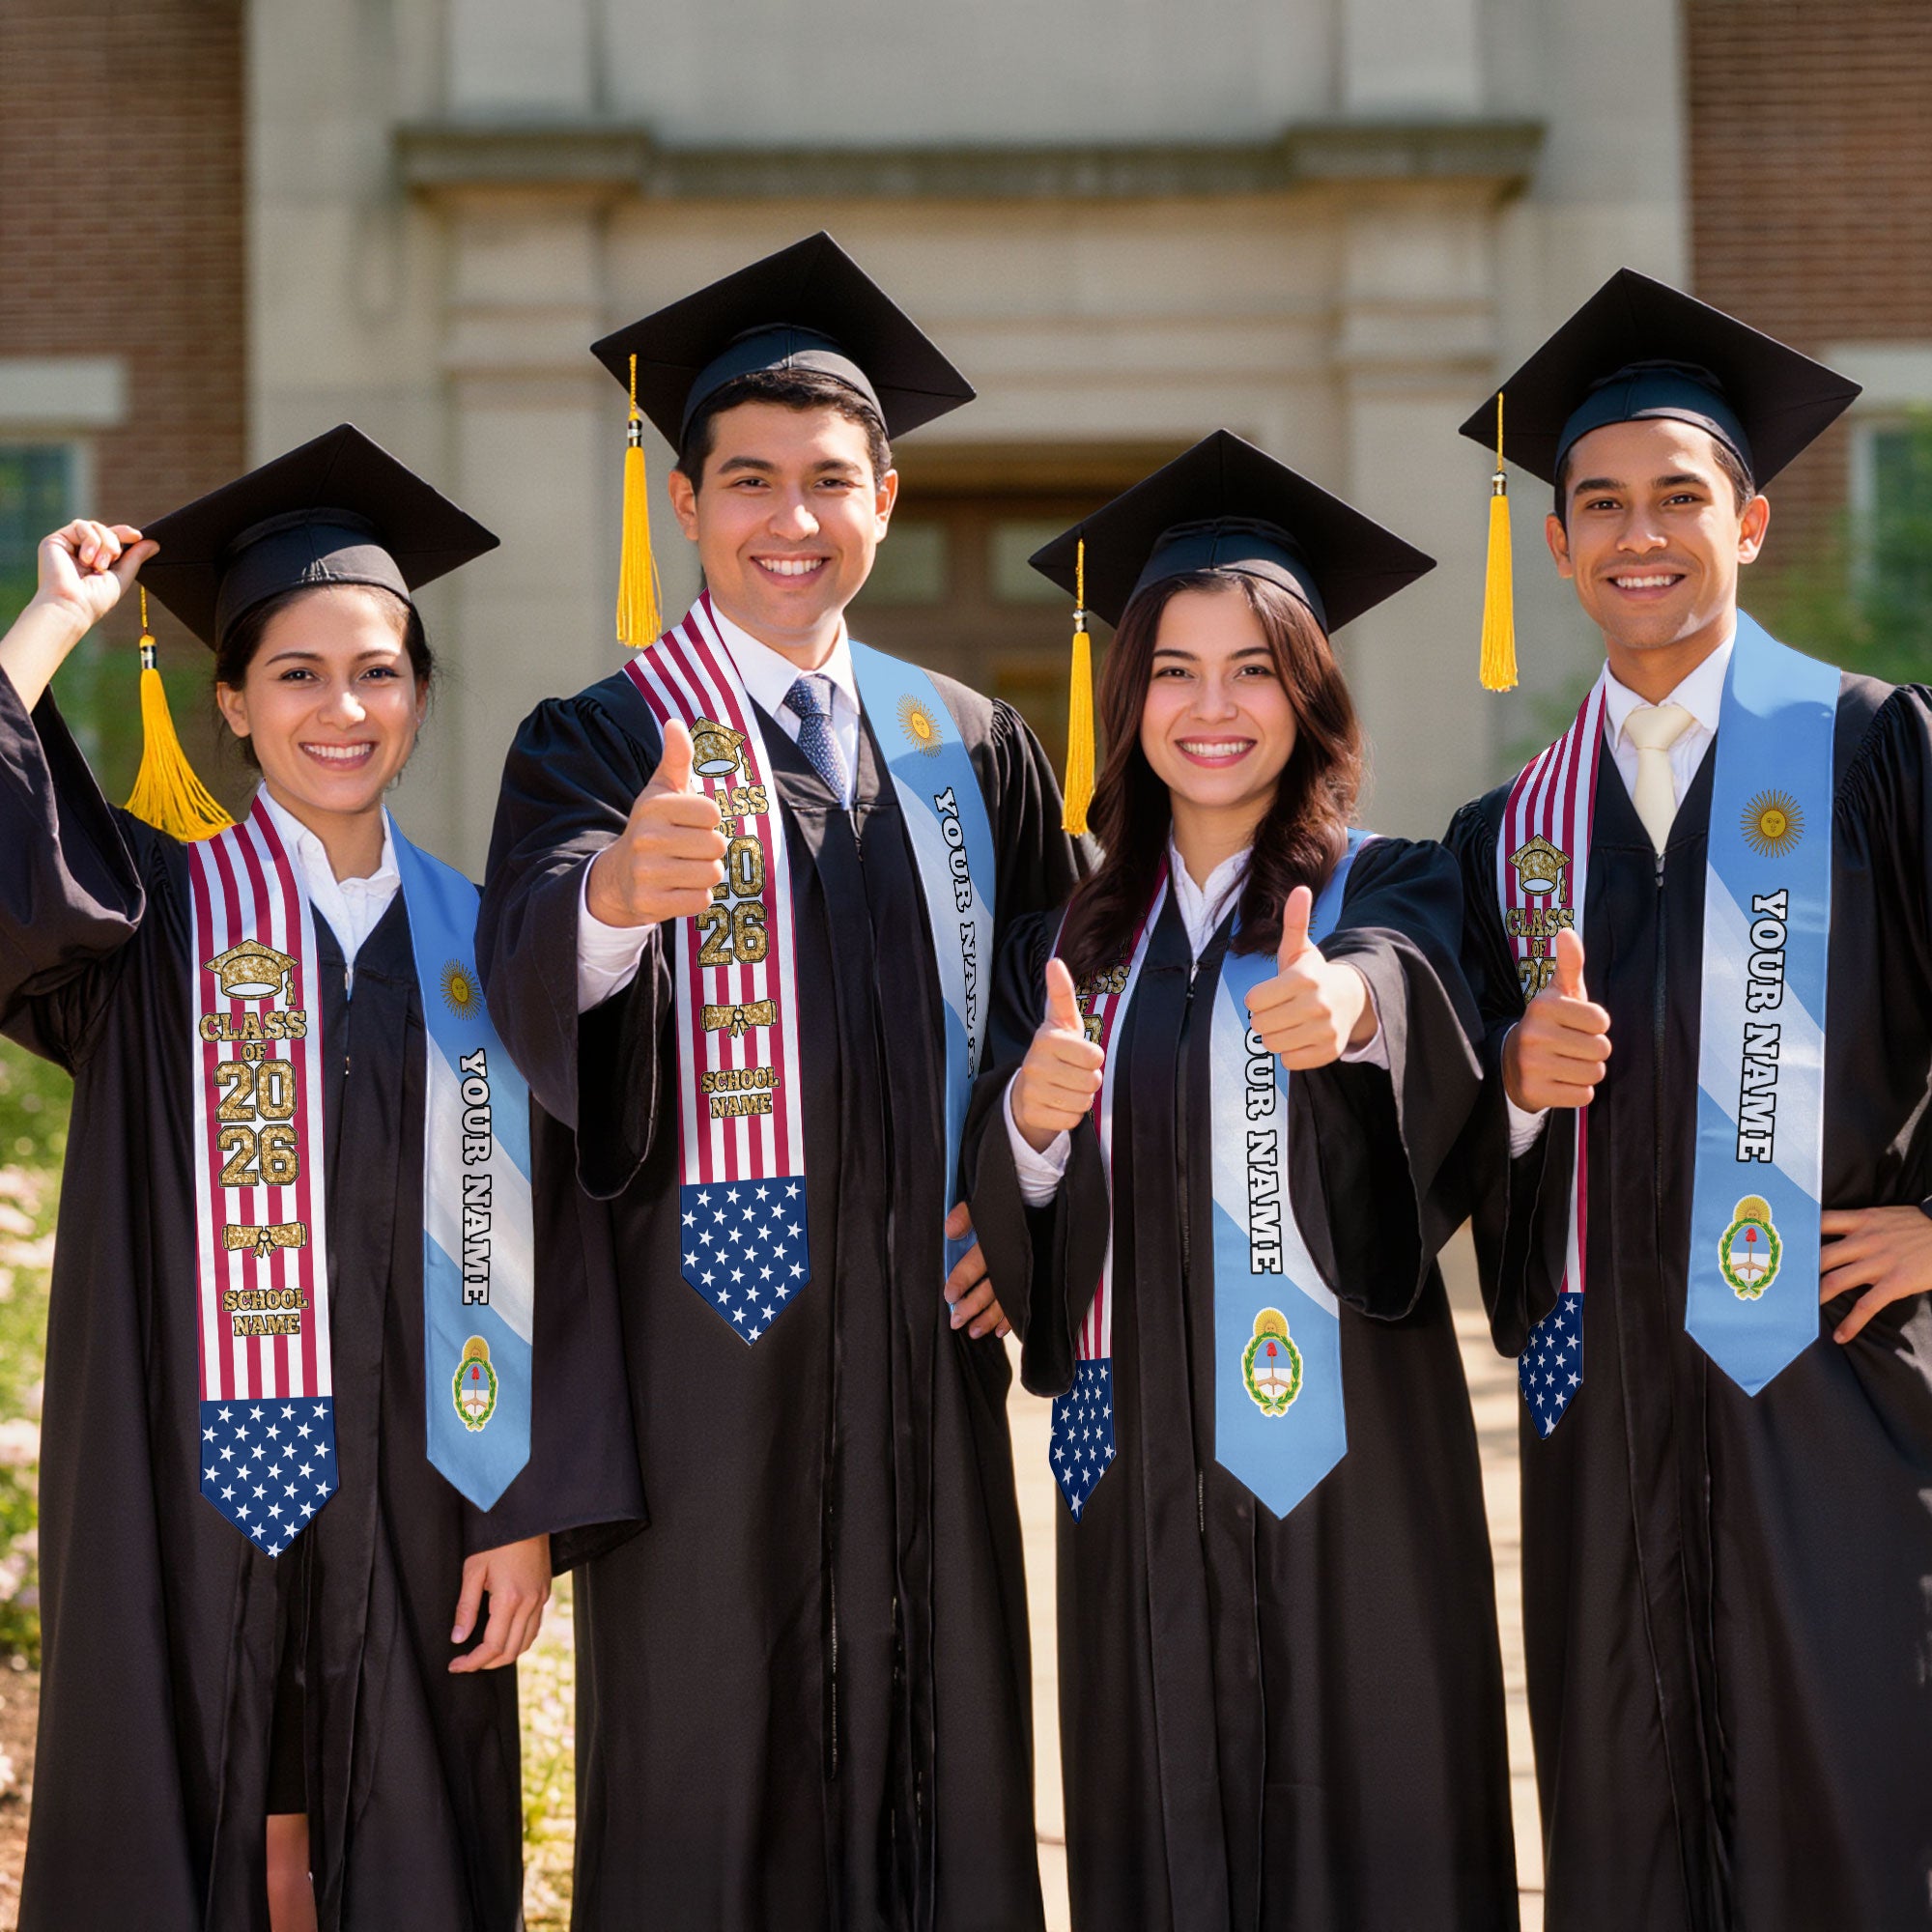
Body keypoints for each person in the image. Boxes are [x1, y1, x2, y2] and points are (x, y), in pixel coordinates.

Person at [478, 233, 1083, 1931]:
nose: (790, 520)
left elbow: (1076, 997)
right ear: (686, 504)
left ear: (886, 497)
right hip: (706, 1368)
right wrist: (611, 900)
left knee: (943, 1759)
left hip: (923, 1352)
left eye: (831, 481)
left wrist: (1025, 1199)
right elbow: (529, 968)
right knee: (710, 1776)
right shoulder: (599, 739)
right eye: (749, 482)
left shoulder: (972, 744)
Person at [0, 424, 640, 1932]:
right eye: (295, 673)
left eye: (378, 671)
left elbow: (563, 1234)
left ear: (419, 695)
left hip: (429, 1493)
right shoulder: (146, 920)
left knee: (406, 1832)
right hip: (183, 1481)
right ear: (230, 701)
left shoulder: (488, 946)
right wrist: (50, 625)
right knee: (194, 1805)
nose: (340, 708)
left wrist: (526, 1506)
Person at [963, 431, 1519, 1931]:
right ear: (1127, 696)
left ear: (1311, 692)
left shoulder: (1389, 885)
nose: (1214, 709)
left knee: (1377, 1819)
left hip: (1353, 1466)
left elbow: (1415, 990)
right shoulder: (1069, 944)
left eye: (1256, 669)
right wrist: (1025, 1119)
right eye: (1175, 671)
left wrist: (1351, 1012)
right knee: (1160, 1823)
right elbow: (1017, 1204)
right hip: (1132, 1458)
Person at [1445, 270, 1932, 1931]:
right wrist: (1510, 1087)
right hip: (1603, 1418)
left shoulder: (1874, 752)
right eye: (1599, 504)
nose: (1637, 534)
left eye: (1678, 497)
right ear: (1561, 543)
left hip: (1834, 1391)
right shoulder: (1510, 833)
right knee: (1625, 1818)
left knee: (1854, 1804)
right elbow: (1440, 1137)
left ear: (1753, 520)